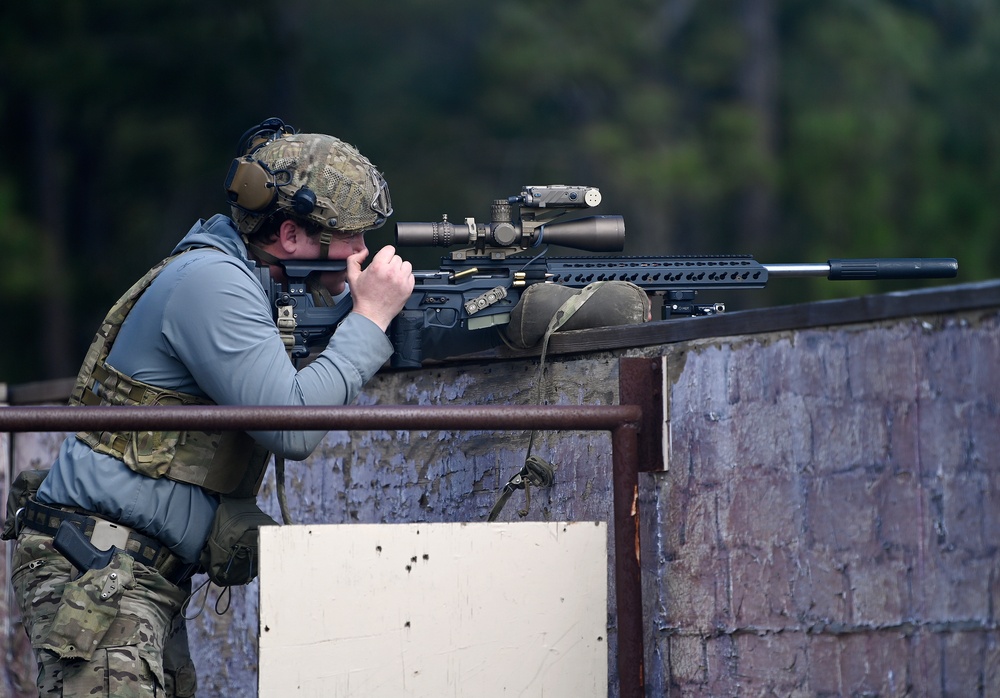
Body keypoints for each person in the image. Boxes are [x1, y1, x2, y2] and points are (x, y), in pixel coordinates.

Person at [6, 118, 414, 696]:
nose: (363, 253)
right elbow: (290, 427)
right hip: (101, 575)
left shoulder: (245, 282)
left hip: (132, 576)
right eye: (350, 236)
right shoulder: (213, 282)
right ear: (292, 235)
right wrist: (371, 319)